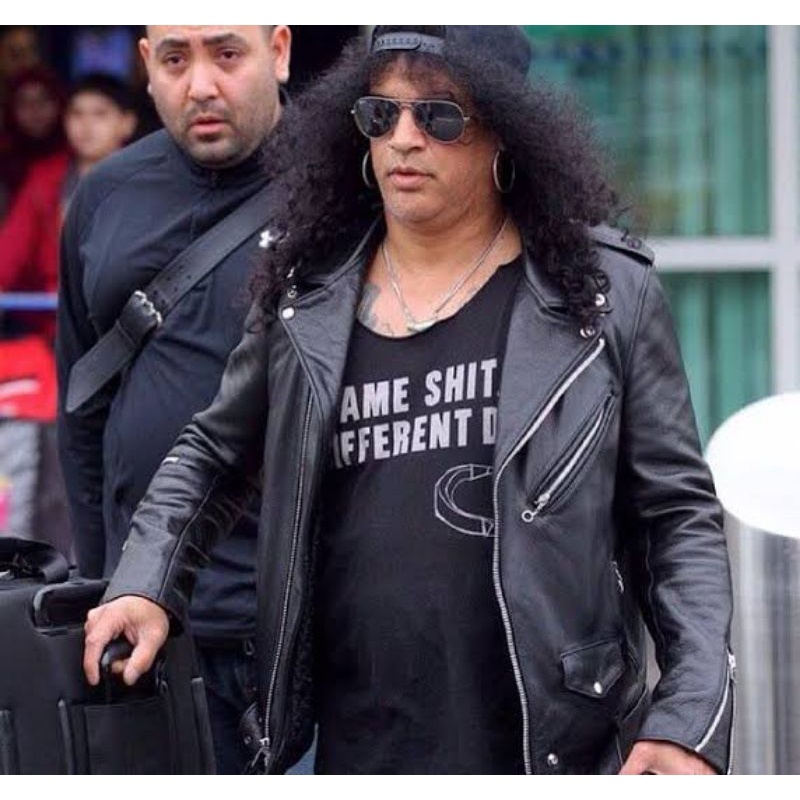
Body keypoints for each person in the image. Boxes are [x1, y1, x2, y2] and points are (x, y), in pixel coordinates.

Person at [83, 26, 734, 775]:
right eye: (380, 113)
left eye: (439, 115)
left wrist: (689, 719)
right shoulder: (306, 296)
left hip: (551, 745)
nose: (403, 138)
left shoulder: (603, 295)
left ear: (505, 130)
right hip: (347, 746)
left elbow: (675, 520)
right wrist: (146, 584)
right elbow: (213, 455)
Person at [57, 25, 292, 774]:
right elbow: (82, 404)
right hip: (141, 625)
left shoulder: (347, 188)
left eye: (227, 54)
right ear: (145, 67)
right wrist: (98, 583)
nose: (201, 86)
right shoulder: (104, 195)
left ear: (279, 51)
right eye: (175, 59)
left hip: (294, 638)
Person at [0, 73, 136, 342]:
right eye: (77, 114)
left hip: (126, 331)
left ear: (127, 123)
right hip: (52, 328)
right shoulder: (44, 180)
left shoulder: (149, 182)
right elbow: (9, 252)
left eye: (100, 114)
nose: (86, 126)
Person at [0, 65, 66, 216]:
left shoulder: (77, 155)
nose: (35, 109)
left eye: (43, 99)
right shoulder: (3, 159)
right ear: (11, 110)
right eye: (24, 102)